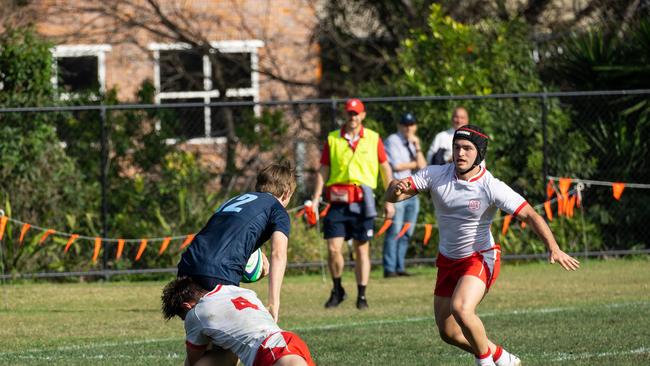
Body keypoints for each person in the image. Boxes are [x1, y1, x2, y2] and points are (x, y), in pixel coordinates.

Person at [385, 125, 580, 366]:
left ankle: (485, 363)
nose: (461, 153)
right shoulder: (436, 174)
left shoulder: (490, 185)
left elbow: (530, 214)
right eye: (457, 147)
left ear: (480, 153)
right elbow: (394, 195)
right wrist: (395, 188)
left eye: (467, 148)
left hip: (479, 257)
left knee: (462, 309)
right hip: (447, 261)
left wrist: (554, 247)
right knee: (449, 333)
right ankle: (501, 357)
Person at [170, 163, 311, 365]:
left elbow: (228, 236)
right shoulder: (276, 208)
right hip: (219, 274)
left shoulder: (235, 200)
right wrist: (274, 302)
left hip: (188, 266)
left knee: (214, 345)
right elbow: (279, 252)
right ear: (287, 193)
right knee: (230, 346)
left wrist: (252, 258)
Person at [311, 98, 394, 310]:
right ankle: (338, 289)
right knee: (333, 249)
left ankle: (362, 295)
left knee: (361, 251)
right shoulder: (333, 139)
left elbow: (385, 169)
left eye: (356, 113)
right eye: (349, 113)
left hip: (362, 201)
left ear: (363, 115)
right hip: (337, 202)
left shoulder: (373, 138)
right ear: (345, 115)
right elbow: (323, 169)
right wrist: (315, 197)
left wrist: (390, 198)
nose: (353, 117)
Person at [162, 276, 315, 366]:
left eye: (183, 317)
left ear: (186, 306)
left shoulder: (195, 313)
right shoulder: (238, 290)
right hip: (287, 341)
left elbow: (194, 360)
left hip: (270, 352)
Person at [382, 112, 427, 278]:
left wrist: (418, 148)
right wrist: (415, 163)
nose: (408, 128)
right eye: (405, 124)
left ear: (415, 126)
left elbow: (423, 167)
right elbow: (397, 165)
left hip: (413, 191)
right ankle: (389, 268)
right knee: (394, 229)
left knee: (407, 231)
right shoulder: (392, 140)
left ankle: (400, 266)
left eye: (411, 124)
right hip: (398, 190)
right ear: (400, 126)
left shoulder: (414, 143)